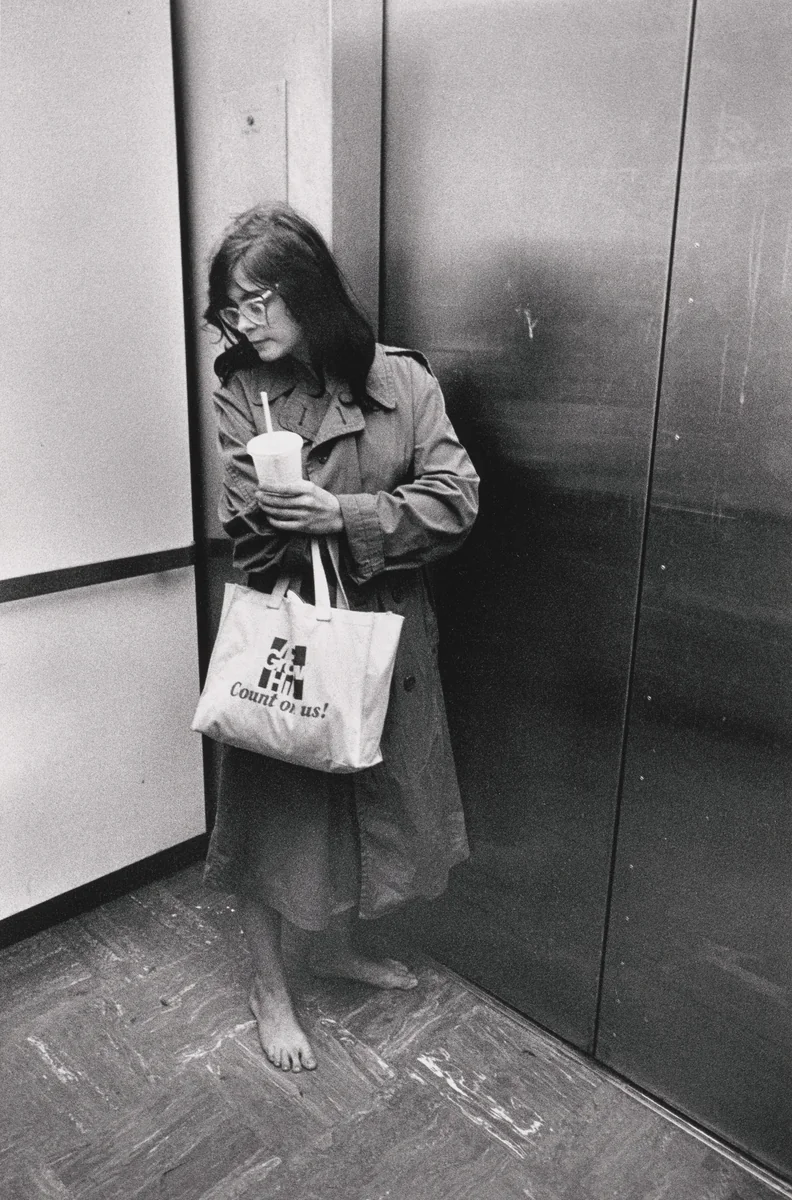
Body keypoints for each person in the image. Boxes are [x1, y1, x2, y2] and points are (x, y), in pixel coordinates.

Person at [202, 202, 479, 1073]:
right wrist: (291, 515)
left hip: (386, 636)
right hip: (287, 632)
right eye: (231, 311)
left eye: (256, 305)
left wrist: (345, 513)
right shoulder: (242, 389)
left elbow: (456, 497)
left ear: (308, 291)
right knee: (271, 818)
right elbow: (244, 524)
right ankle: (268, 987)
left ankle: (335, 947)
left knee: (372, 800)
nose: (244, 326)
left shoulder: (405, 383)